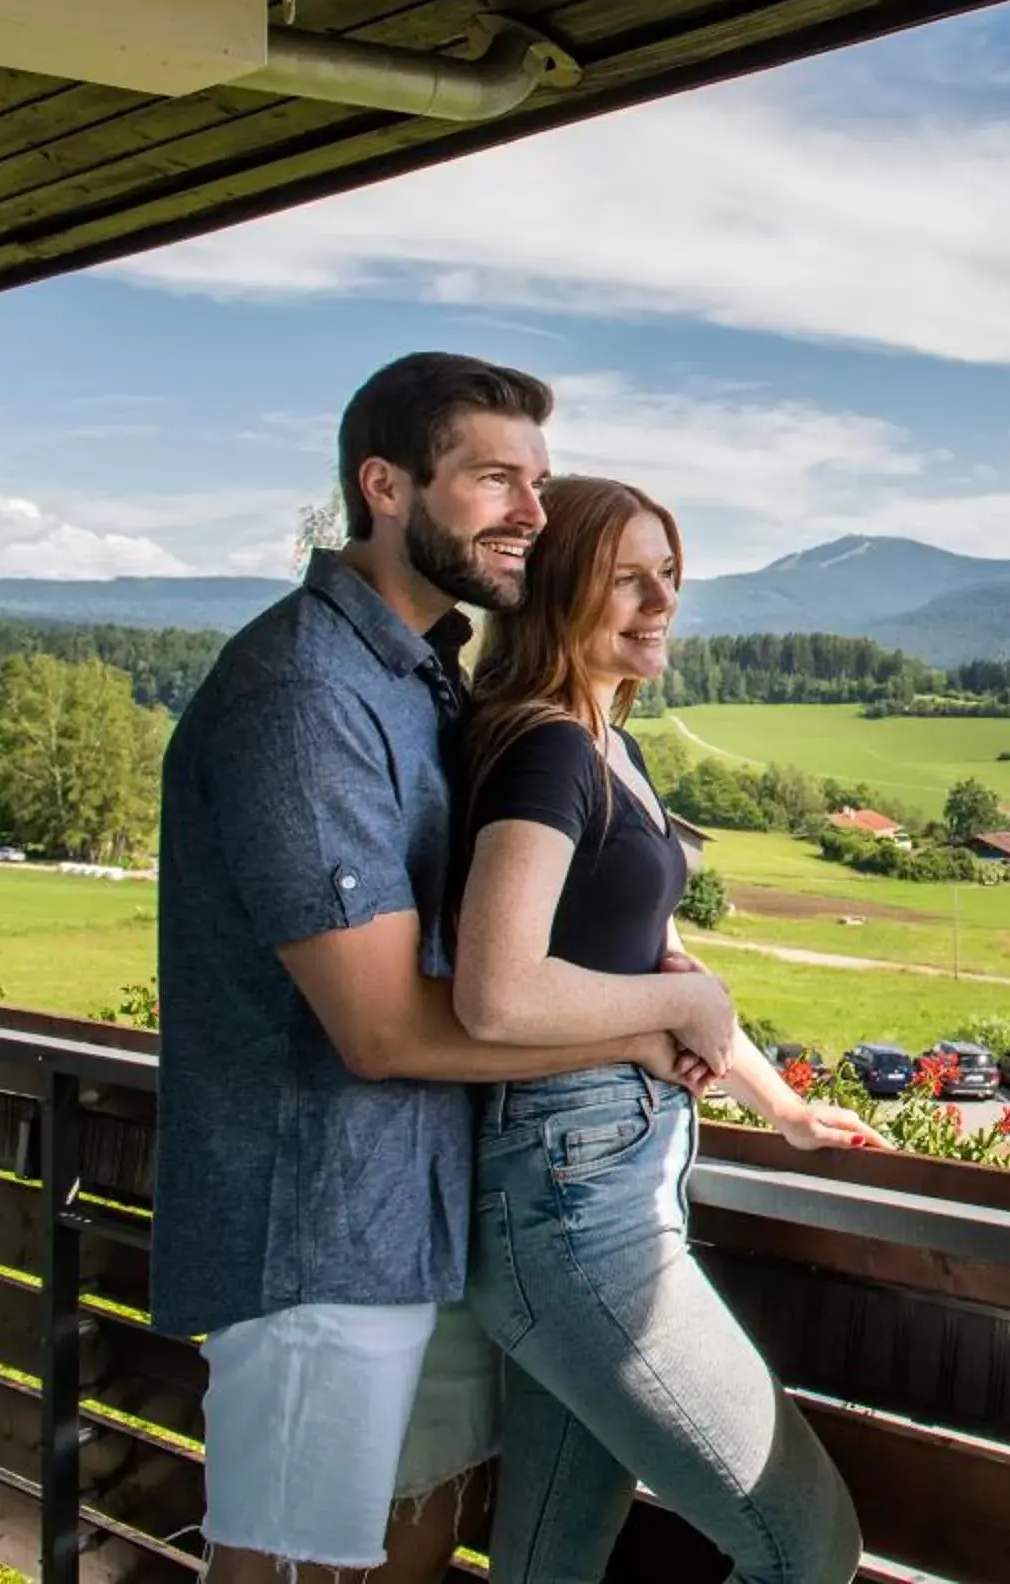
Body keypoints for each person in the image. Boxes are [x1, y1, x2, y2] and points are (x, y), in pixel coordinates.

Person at [152, 354, 743, 1584]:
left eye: (538, 480)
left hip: (424, 1211)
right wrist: (647, 1029)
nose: (533, 509)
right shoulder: (302, 692)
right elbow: (376, 1026)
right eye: (493, 477)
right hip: (314, 1227)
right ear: (384, 485)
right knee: (284, 1570)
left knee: (397, 1554)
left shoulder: (426, 677)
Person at [452, 474, 882, 1583]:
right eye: (625, 578)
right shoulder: (545, 750)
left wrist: (776, 1101)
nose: (660, 601)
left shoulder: (611, 749)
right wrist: (673, 1010)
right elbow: (496, 992)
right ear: (554, 591)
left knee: (551, 1562)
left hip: (589, 1184)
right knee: (808, 1543)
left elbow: (657, 966)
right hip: (573, 1202)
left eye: (669, 574)